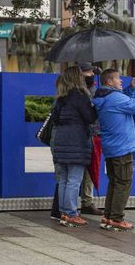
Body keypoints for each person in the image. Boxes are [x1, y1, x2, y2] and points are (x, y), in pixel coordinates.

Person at [92, 69, 135, 231]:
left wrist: (131, 89)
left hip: (111, 147)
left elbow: (121, 101)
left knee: (115, 182)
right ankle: (116, 218)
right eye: (118, 79)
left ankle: (108, 216)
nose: (121, 81)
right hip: (122, 147)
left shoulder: (103, 97)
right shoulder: (115, 98)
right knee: (124, 183)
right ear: (109, 82)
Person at [50, 66, 98, 227]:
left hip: (61, 140)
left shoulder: (61, 97)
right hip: (76, 141)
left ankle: (64, 212)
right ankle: (71, 213)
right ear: (77, 78)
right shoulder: (81, 96)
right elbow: (90, 118)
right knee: (74, 180)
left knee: (63, 178)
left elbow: (55, 119)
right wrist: (94, 108)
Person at [78, 62, 103, 215]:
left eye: (91, 72)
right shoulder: (74, 91)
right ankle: (67, 206)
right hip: (79, 135)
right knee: (73, 173)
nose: (91, 74)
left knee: (90, 171)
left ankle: (87, 202)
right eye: (87, 72)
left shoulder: (95, 90)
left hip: (93, 135)